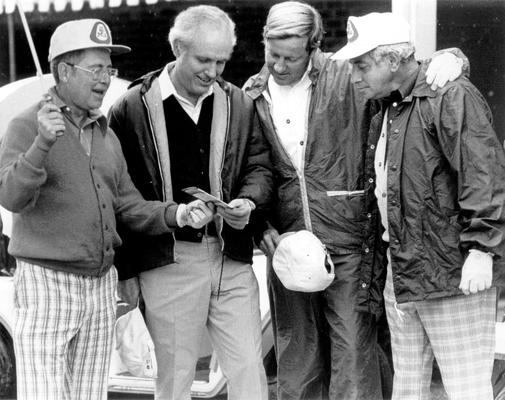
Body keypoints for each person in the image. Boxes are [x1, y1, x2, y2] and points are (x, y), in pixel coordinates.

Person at [243, 2, 467, 399]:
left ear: (314, 48)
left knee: (354, 355)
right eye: (271, 55)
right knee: (297, 356)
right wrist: (262, 226)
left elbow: (398, 69)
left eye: (290, 57)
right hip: (291, 248)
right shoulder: (252, 94)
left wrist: (451, 57)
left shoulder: (347, 74)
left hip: (349, 240)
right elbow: (252, 167)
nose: (278, 66)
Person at [0, 18, 212, 400]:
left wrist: (177, 214)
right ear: (65, 70)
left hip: (100, 284)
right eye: (96, 68)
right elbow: (11, 198)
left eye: (108, 69)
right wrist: (42, 144)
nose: (105, 79)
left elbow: (127, 205)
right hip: (48, 282)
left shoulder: (105, 133)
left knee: (90, 395)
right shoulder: (26, 124)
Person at [333, 11, 505, 400]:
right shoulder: (389, 106)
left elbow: (484, 175)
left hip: (453, 272)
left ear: (392, 60)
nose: (355, 75)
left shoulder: (451, 95)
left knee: (466, 391)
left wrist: (482, 249)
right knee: (408, 390)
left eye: (362, 64)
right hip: (403, 271)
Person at [108, 5, 273, 400]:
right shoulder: (130, 108)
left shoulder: (239, 103)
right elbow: (118, 197)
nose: (213, 71)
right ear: (177, 48)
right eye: (203, 59)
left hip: (231, 259)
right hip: (169, 261)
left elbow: (260, 168)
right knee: (176, 378)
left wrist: (248, 203)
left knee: (250, 371)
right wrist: (127, 272)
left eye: (221, 61)